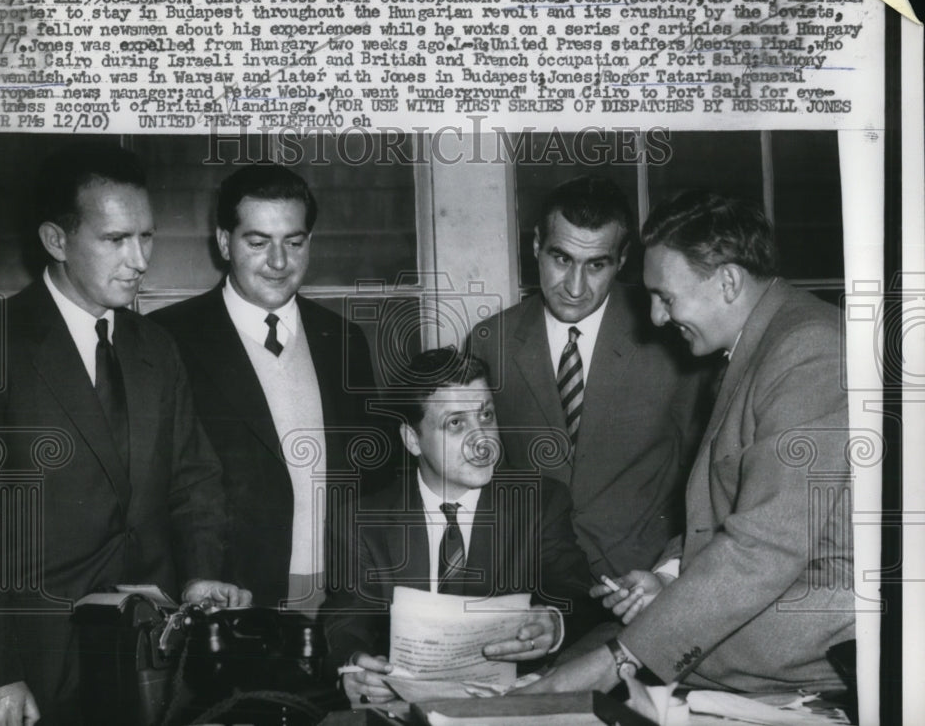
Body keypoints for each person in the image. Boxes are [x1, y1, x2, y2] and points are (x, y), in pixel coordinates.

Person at [521, 189, 855, 696]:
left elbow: (764, 547)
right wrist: (671, 573)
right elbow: (729, 506)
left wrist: (619, 661)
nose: (655, 317)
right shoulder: (762, 343)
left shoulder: (809, 351)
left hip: (798, 660)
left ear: (727, 282)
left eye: (666, 297)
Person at [0, 144, 249, 726]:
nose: (140, 259)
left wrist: (198, 574)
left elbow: (195, 477)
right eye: (116, 239)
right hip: (38, 665)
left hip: (152, 654)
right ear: (56, 240)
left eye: (146, 237)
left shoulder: (156, 348)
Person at [151, 163, 383, 614]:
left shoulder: (343, 339)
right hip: (230, 599)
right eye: (258, 243)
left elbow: (371, 476)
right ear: (224, 242)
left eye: (293, 243)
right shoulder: (167, 339)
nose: (279, 262)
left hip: (341, 596)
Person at [322, 348, 599, 707]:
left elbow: (573, 590)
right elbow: (347, 617)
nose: (481, 440)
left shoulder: (539, 502)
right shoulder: (359, 520)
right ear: (412, 439)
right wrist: (354, 665)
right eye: (456, 423)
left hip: (510, 707)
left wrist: (553, 622)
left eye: (486, 415)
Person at [469, 175, 707, 577]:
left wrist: (670, 571)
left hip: (643, 586)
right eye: (561, 259)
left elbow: (708, 480)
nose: (575, 288)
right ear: (536, 247)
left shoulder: (674, 338)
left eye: (596, 265)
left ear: (623, 258)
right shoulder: (491, 342)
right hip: (531, 582)